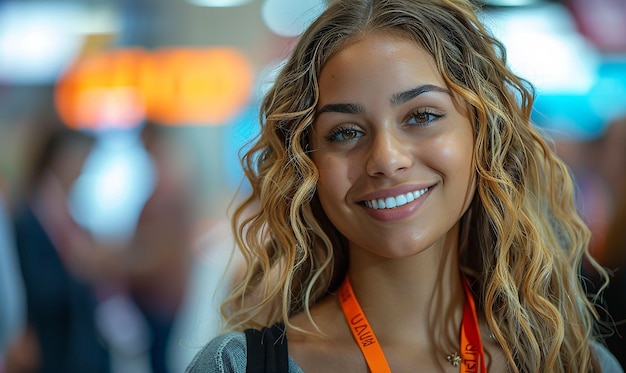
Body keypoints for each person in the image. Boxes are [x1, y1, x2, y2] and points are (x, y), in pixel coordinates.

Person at [187, 0, 622, 371]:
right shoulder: (237, 366)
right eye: (345, 132)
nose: (386, 159)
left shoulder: (574, 362)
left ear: (484, 136)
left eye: (421, 116)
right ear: (307, 164)